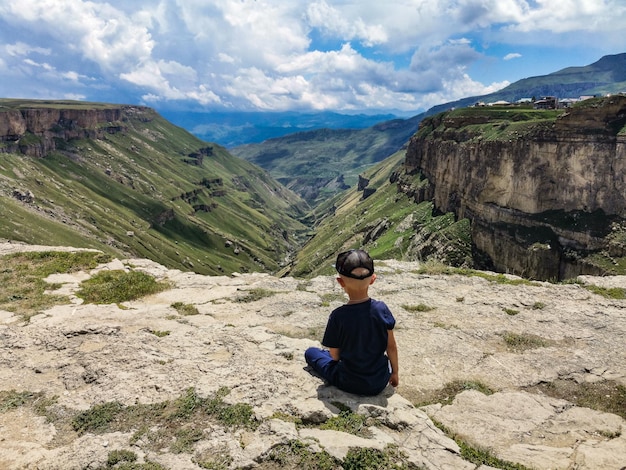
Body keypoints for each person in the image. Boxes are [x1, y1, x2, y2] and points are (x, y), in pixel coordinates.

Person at [304, 249, 399, 396]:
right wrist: (394, 374)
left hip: (349, 382)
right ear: (373, 279)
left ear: (340, 282)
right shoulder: (382, 309)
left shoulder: (338, 316)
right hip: (379, 381)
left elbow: (335, 356)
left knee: (311, 353)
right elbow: (391, 347)